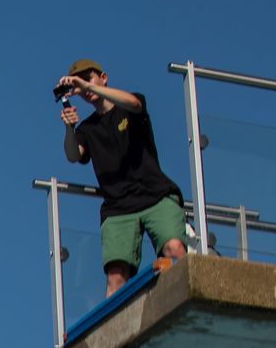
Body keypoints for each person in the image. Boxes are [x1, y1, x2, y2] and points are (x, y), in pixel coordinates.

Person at [58, 58, 187, 296]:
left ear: (103, 77)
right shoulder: (88, 128)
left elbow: (135, 104)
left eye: (88, 78)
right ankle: (114, 331)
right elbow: (73, 155)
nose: (85, 87)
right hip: (118, 208)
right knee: (116, 277)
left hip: (155, 195)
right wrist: (69, 128)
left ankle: (179, 303)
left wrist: (88, 87)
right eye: (80, 85)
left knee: (174, 249)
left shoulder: (128, 103)